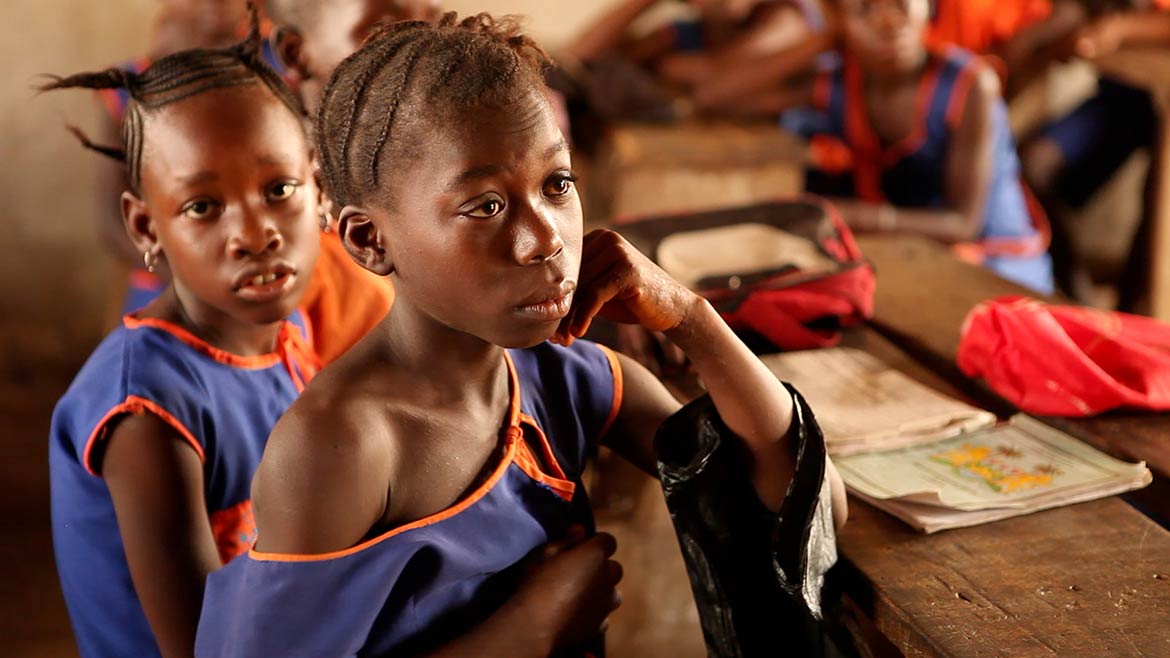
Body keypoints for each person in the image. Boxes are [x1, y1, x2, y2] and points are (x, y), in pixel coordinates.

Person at [195, 13, 847, 657]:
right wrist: (525, 632)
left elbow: (810, 510)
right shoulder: (339, 444)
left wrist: (691, 317)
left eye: (557, 184)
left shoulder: (572, 381)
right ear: (370, 240)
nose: (546, 240)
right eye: (485, 206)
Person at [45, 19, 322, 658]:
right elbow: (209, 648)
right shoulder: (147, 408)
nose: (255, 233)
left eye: (279, 190)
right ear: (145, 226)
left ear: (320, 187)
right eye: (203, 206)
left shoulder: (289, 336)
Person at [695, 0, 1056, 294]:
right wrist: (824, 38)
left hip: (997, 264)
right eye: (866, 8)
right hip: (911, 252)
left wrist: (848, 215)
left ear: (927, 8)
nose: (886, 21)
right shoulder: (841, 82)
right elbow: (713, 97)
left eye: (900, 4)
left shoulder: (970, 84)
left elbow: (964, 225)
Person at [1013, 0, 1170, 303]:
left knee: (1159, 209)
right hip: (1124, 101)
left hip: (1149, 106)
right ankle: (1077, 291)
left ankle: (1133, 303)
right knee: (1032, 165)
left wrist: (1121, 27)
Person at [567, 0, 822, 93]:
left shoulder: (789, 19)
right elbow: (577, 57)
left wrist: (671, 68)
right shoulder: (692, 32)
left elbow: (714, 86)